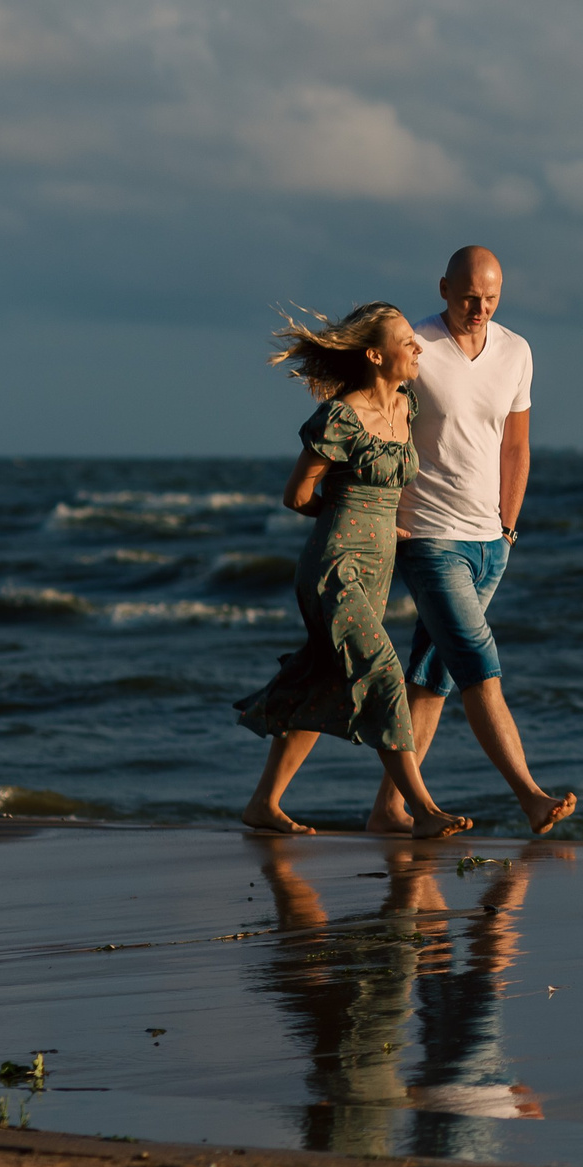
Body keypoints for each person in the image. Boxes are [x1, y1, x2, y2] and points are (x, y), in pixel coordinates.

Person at [234, 303, 473, 839]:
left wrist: (390, 527)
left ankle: (262, 804)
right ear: (375, 355)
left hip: (377, 569)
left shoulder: (407, 405)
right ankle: (419, 809)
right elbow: (296, 495)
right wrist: (353, 516)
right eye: (405, 341)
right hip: (334, 567)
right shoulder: (341, 417)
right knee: (383, 670)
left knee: (324, 678)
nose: (417, 347)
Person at [367, 246, 578, 836]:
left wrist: (507, 527)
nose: (479, 309)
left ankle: (388, 808)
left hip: (490, 542)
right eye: (467, 298)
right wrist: (383, 512)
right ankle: (531, 796)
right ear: (443, 289)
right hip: (430, 537)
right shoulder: (416, 347)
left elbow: (516, 444)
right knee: (481, 669)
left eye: (490, 298)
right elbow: (375, 422)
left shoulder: (516, 351)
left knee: (431, 678)